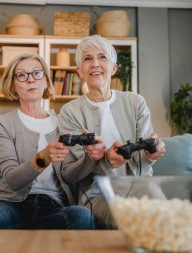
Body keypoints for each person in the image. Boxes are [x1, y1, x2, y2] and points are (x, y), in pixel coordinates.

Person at [0, 53, 96, 229]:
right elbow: (12, 180)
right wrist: (43, 157)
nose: (30, 80)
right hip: (11, 204)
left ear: (46, 81)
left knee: (82, 216)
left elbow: (69, 175)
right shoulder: (1, 124)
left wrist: (89, 158)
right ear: (12, 86)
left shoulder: (62, 123)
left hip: (54, 206)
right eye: (21, 75)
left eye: (37, 73)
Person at [58, 35, 166, 228]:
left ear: (114, 68)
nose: (95, 64)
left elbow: (145, 158)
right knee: (130, 221)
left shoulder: (135, 102)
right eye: (87, 59)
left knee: (166, 219)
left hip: (141, 186)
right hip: (98, 192)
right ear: (79, 71)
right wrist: (105, 161)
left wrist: (152, 153)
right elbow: (74, 174)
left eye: (102, 57)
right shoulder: (70, 112)